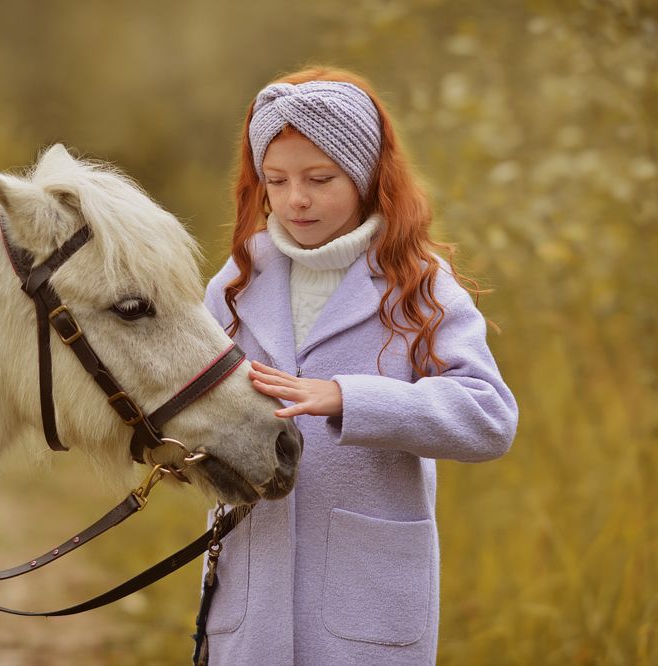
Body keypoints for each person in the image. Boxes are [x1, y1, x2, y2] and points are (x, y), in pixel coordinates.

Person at [197, 66, 519, 665]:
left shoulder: (420, 286)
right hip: (250, 603)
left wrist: (350, 398)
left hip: (365, 607)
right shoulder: (234, 286)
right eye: (277, 179)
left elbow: (489, 418)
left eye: (321, 178)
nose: (296, 198)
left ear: (368, 177)